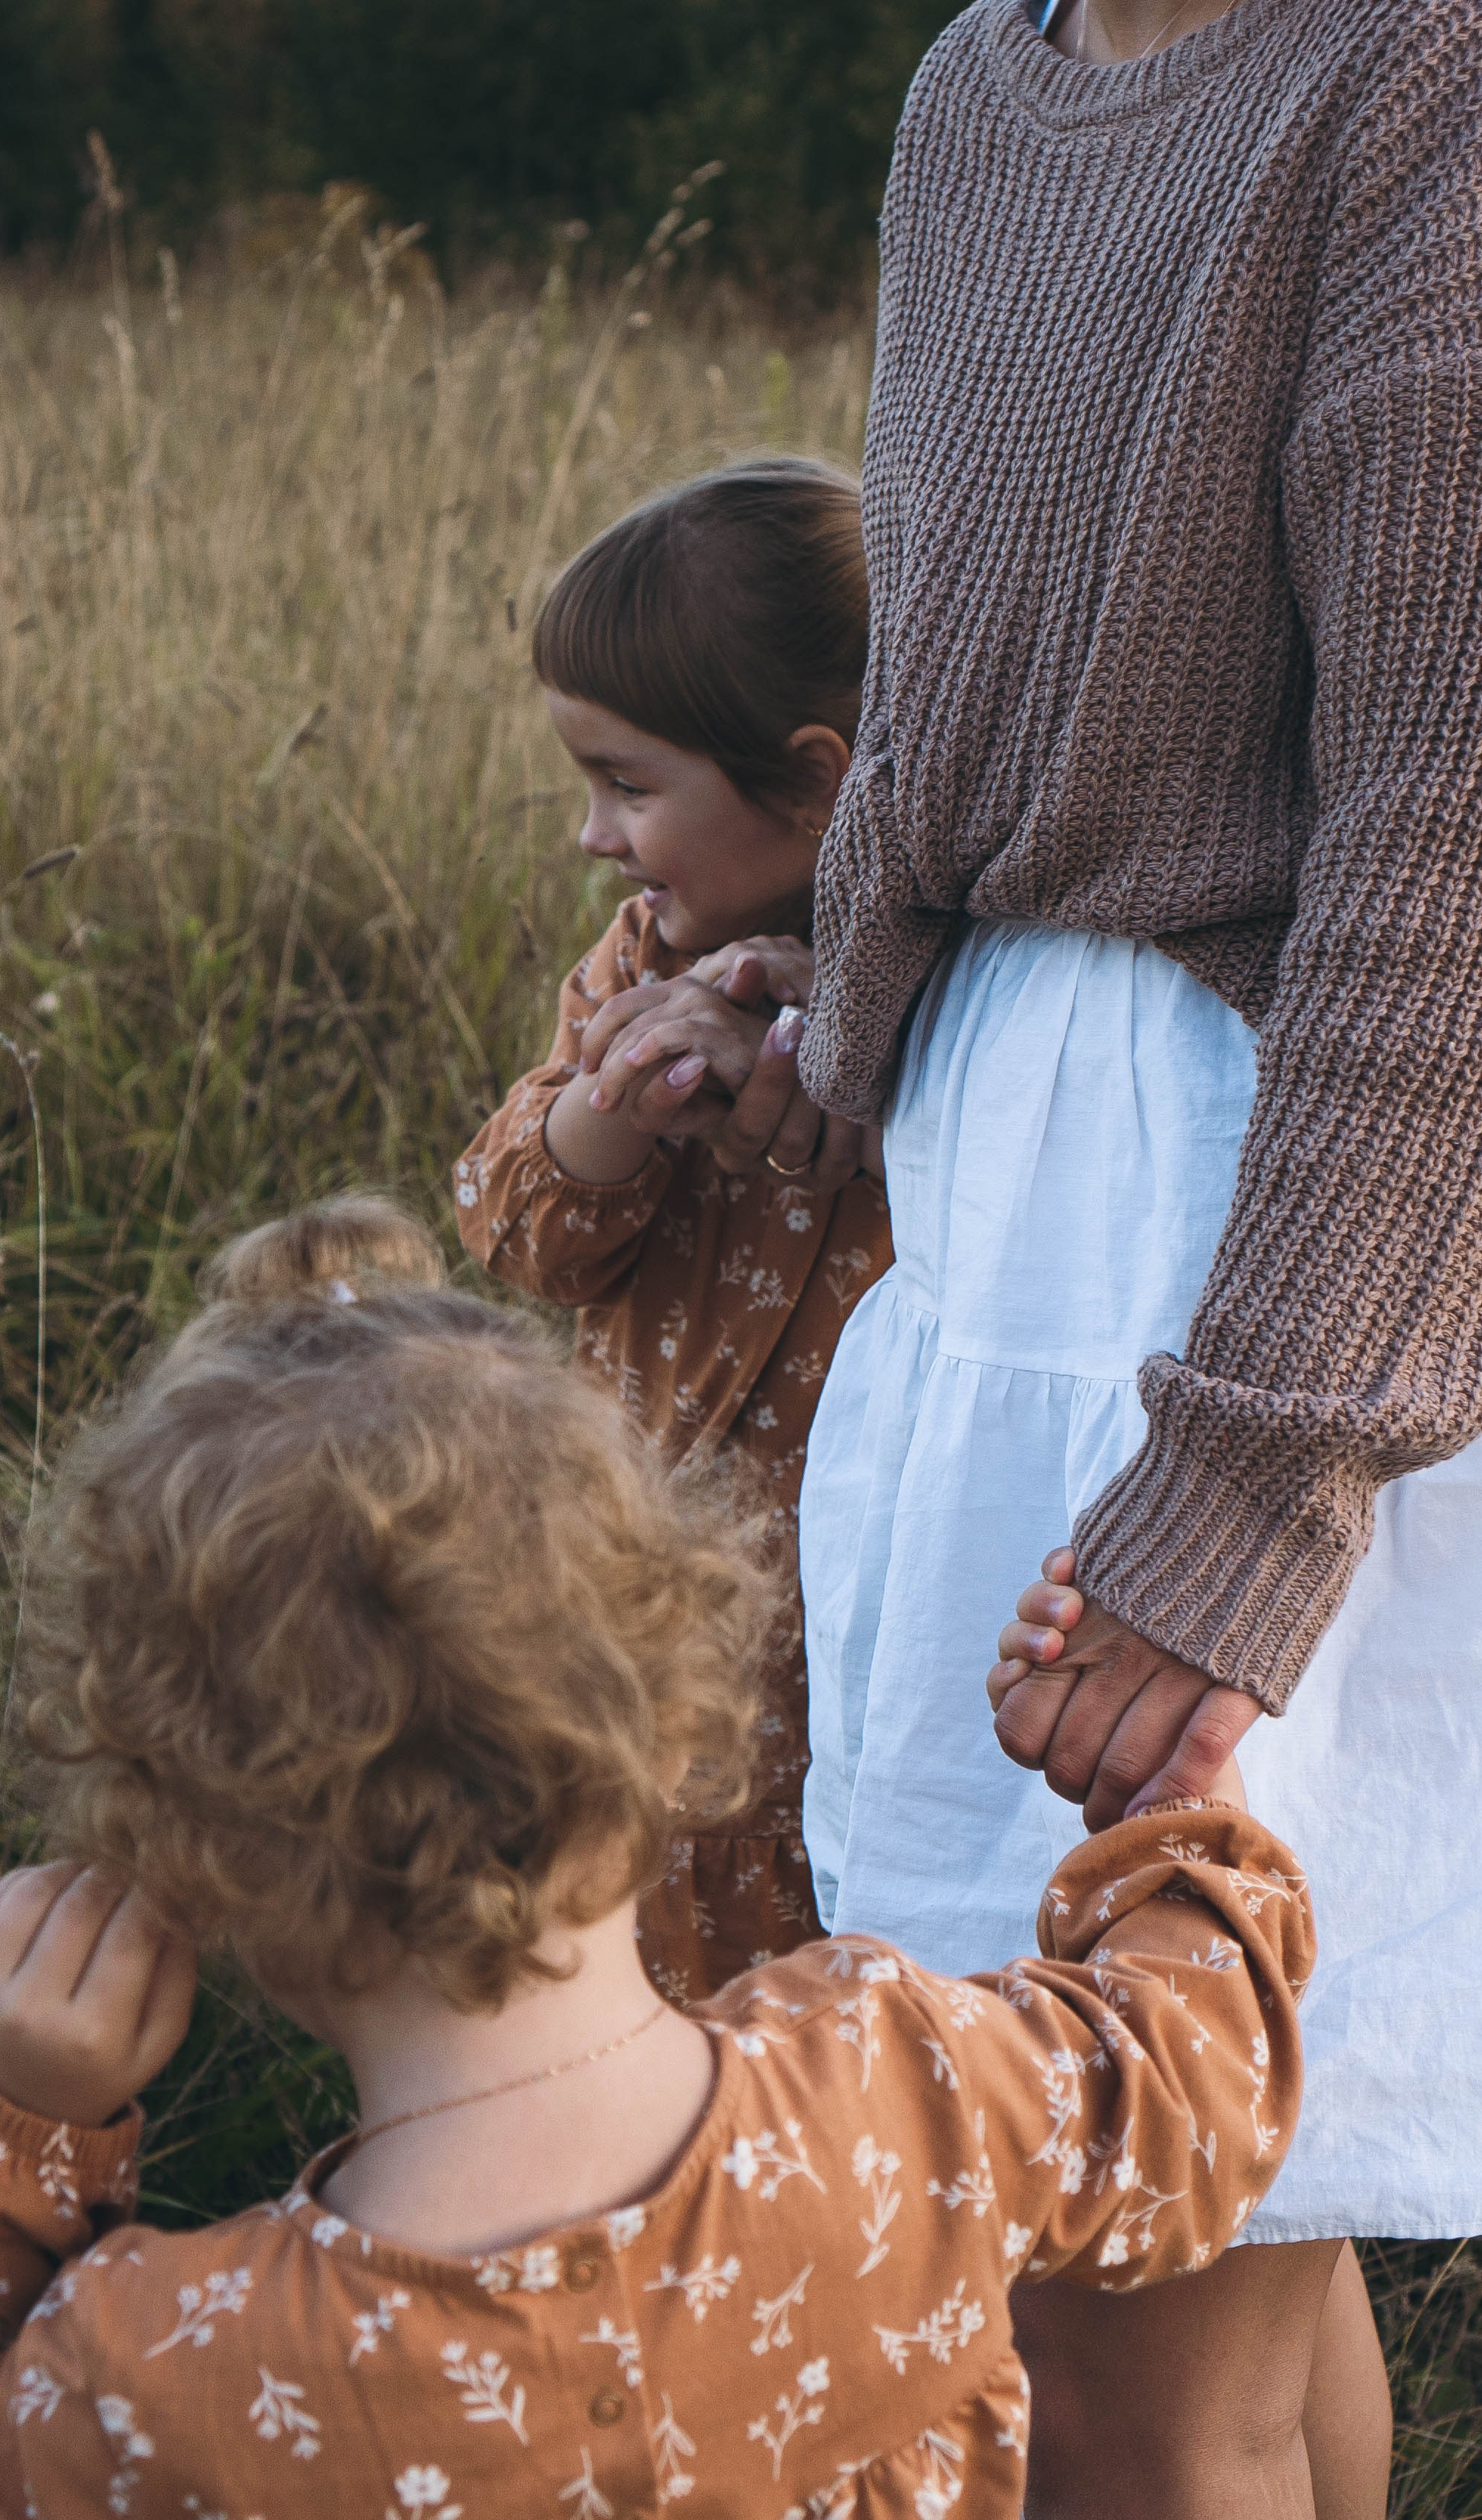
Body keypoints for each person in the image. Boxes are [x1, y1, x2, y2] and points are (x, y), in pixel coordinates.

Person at [0, 1195, 1315, 2520]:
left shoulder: (173, 2376)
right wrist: (1167, 1799)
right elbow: (1193, 2087)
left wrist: (8, 2142)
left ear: (192, 1869)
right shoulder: (900, 2090)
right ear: (675, 1709)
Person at [761, 0, 1482, 2508]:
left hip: (1245, 1248)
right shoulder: (975, 88)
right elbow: (964, 716)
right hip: (1007, 1204)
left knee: (1119, 2317)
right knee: (1232, 2278)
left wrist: (1246, 1482)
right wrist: (816, 1038)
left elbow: (1456, 822)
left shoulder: (1426, 72)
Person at [454, 459, 891, 2001]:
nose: (594, 834)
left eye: (629, 786)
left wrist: (855, 1054)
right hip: (631, 1609)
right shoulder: (644, 960)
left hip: (835, 1655)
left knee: (821, 1992)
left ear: (817, 780)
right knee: (624, 1949)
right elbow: (520, 1231)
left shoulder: (953, 992)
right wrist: (619, 1099)